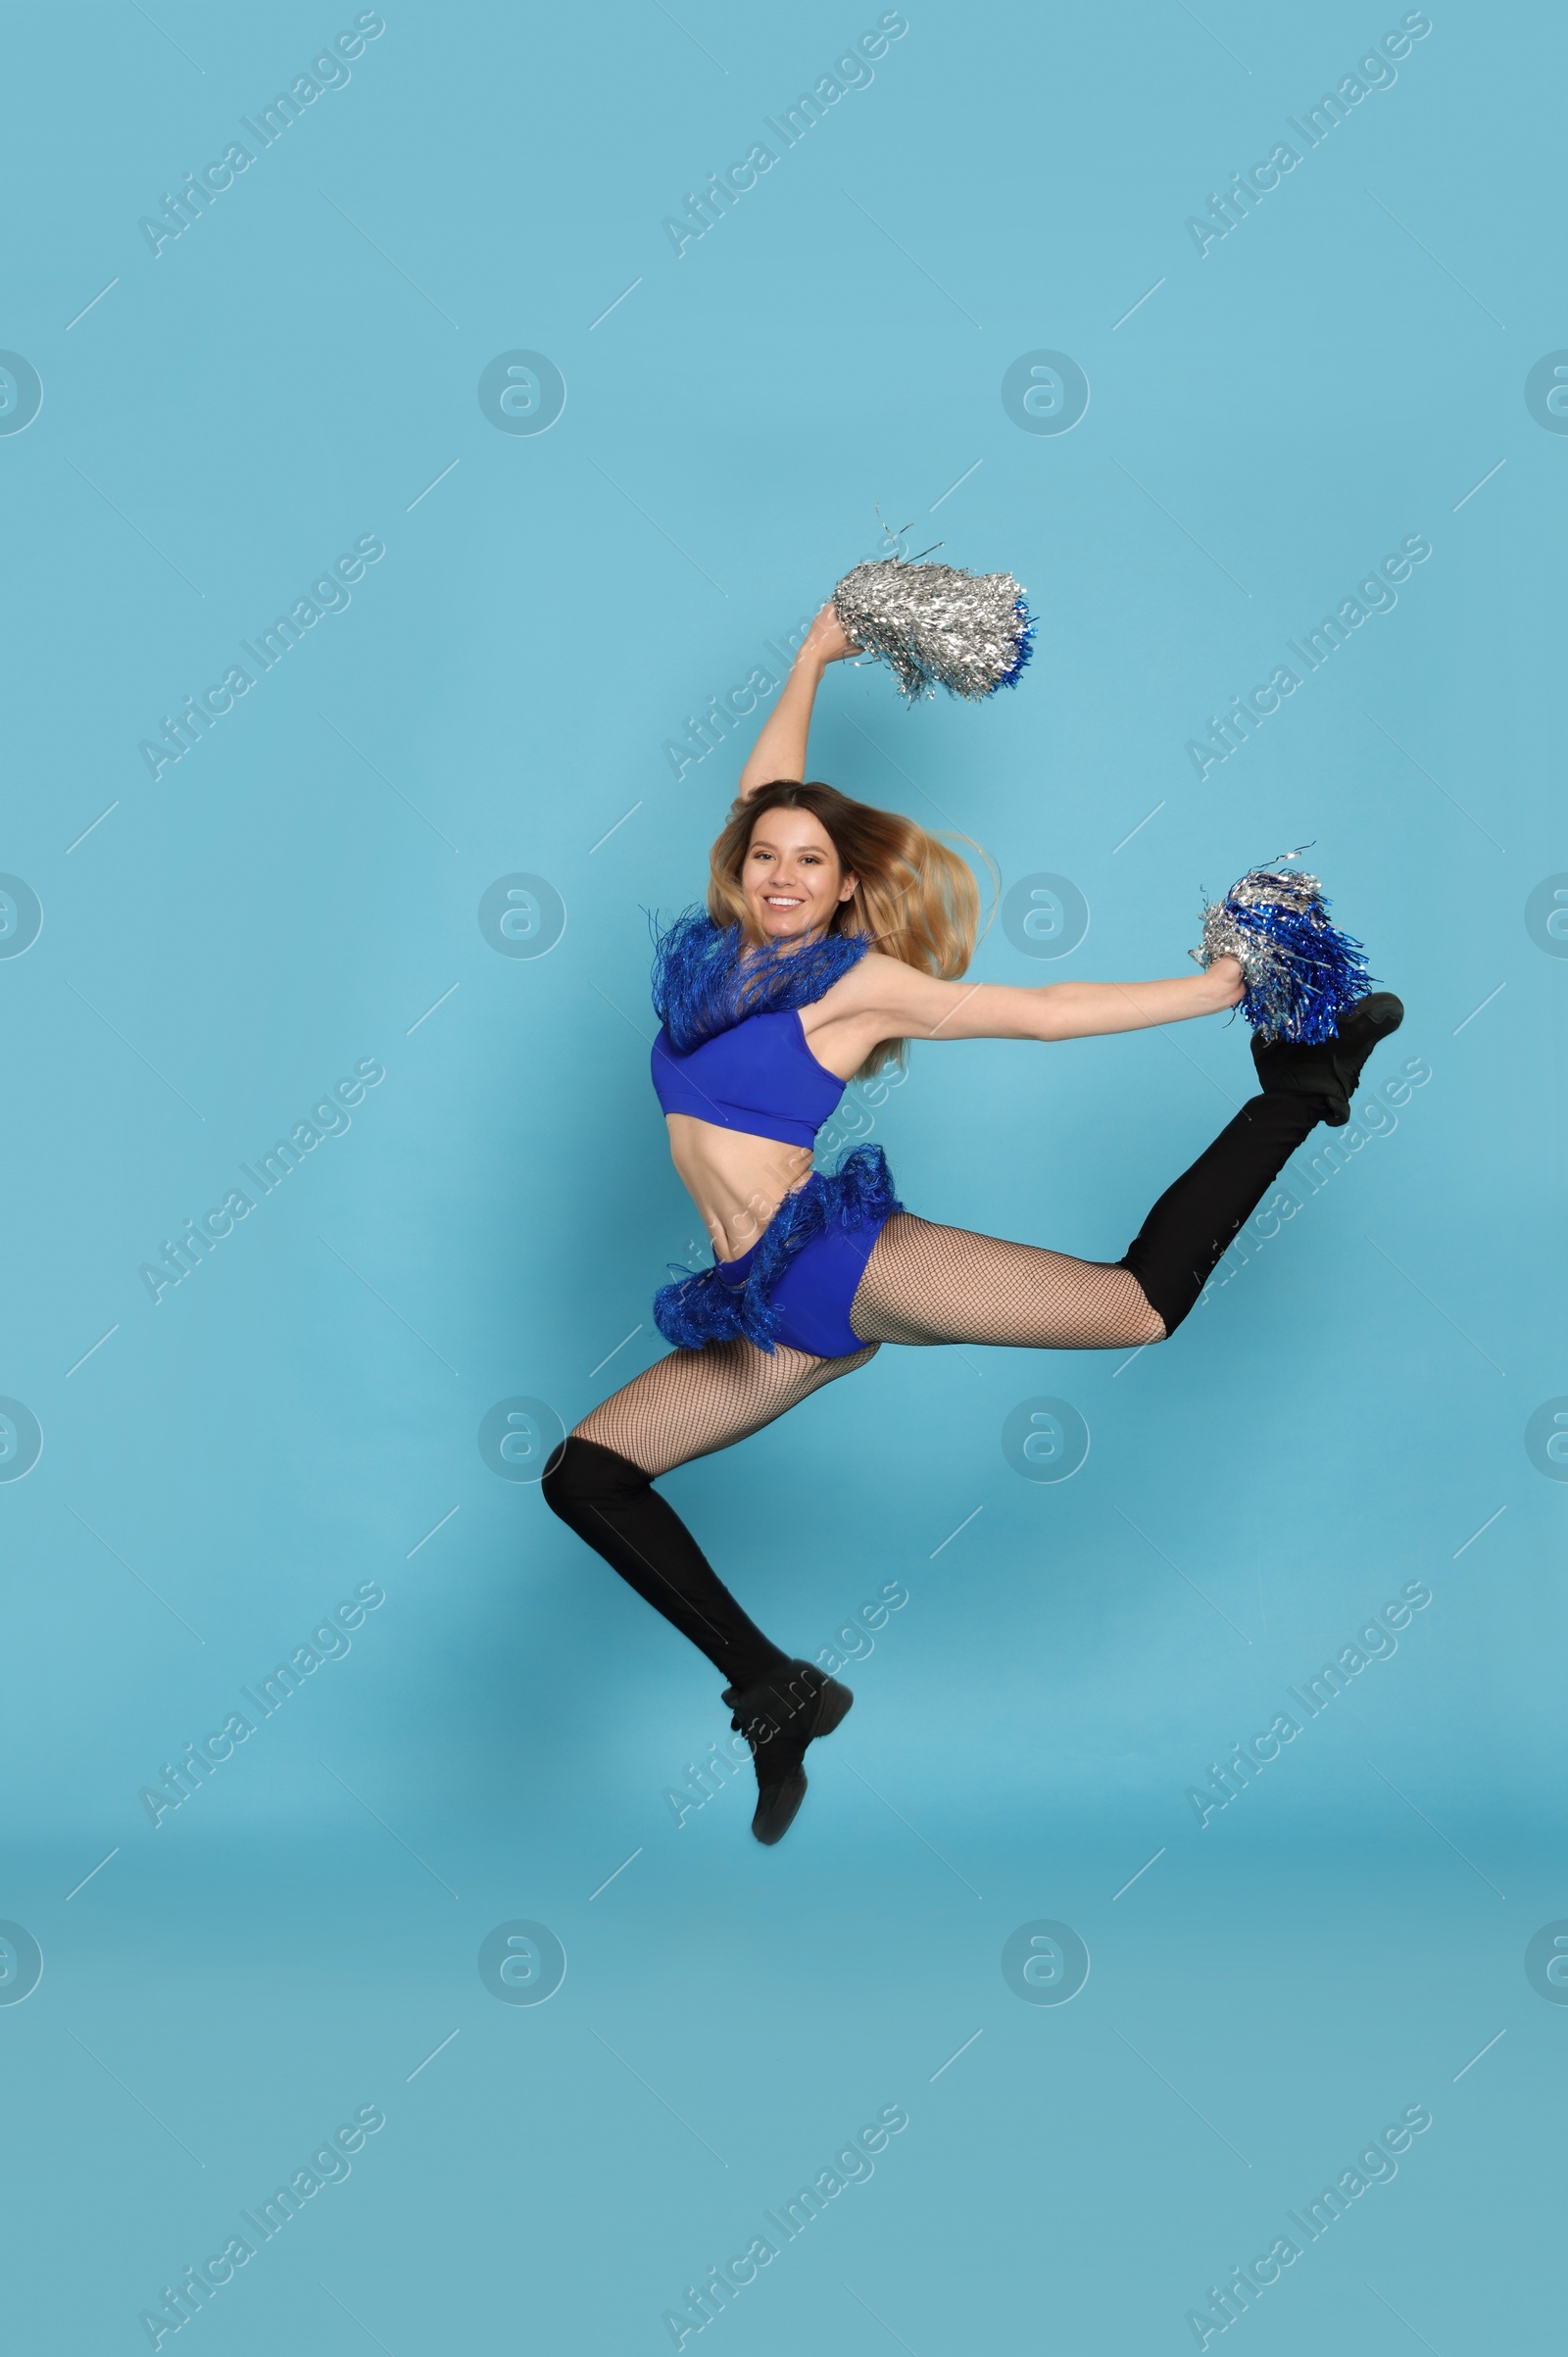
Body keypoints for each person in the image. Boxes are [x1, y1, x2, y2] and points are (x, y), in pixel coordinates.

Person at [543, 608, 1403, 1843]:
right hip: (762, 1314)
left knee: (1137, 1307)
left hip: (834, 1268)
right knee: (587, 1474)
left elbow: (1042, 1010)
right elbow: (769, 784)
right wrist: (814, 654)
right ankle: (776, 1691)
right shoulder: (713, 962)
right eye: (767, 857)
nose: (784, 873)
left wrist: (1220, 986)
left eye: (809, 863)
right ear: (741, 869)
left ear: (847, 888)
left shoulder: (849, 984)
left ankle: (1298, 1089)